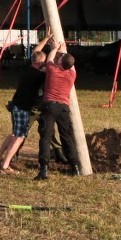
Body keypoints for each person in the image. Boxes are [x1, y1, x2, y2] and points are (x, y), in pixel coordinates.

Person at [0, 35, 50, 173]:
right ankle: (5, 166)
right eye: (43, 63)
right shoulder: (39, 75)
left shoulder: (28, 67)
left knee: (14, 134)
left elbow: (36, 53)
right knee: (19, 137)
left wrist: (46, 39)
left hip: (15, 104)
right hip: (22, 108)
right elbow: (50, 66)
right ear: (40, 64)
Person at [34, 43, 80, 181]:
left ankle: (44, 169)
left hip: (49, 107)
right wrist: (64, 52)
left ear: (60, 62)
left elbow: (49, 58)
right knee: (66, 137)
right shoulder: (72, 74)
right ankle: (75, 167)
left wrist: (55, 48)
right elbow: (71, 64)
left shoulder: (52, 70)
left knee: (45, 137)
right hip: (64, 108)